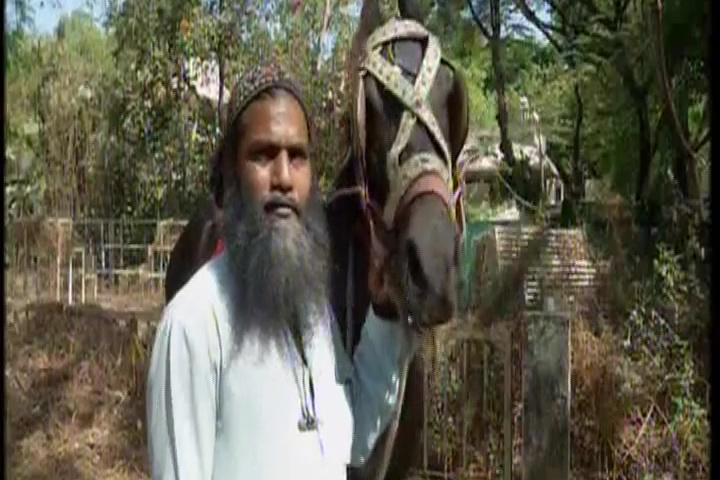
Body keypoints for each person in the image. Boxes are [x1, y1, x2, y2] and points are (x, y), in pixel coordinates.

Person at [146, 60, 423, 479]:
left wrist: (384, 313)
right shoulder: (193, 324)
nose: (283, 177)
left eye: (297, 157)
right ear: (231, 172)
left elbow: (352, 438)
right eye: (262, 155)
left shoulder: (312, 312)